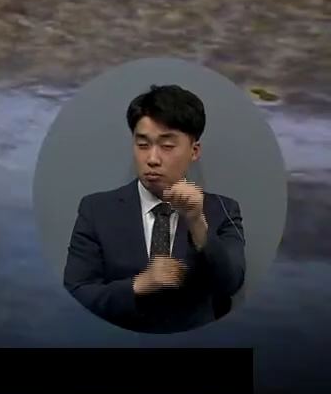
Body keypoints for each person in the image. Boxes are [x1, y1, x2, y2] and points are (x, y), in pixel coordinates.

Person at [62, 84, 247, 333]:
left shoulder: (222, 210)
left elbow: (230, 284)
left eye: (167, 146)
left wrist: (197, 225)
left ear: (194, 151)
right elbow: (77, 292)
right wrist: (138, 285)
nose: (152, 159)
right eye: (142, 145)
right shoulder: (96, 210)